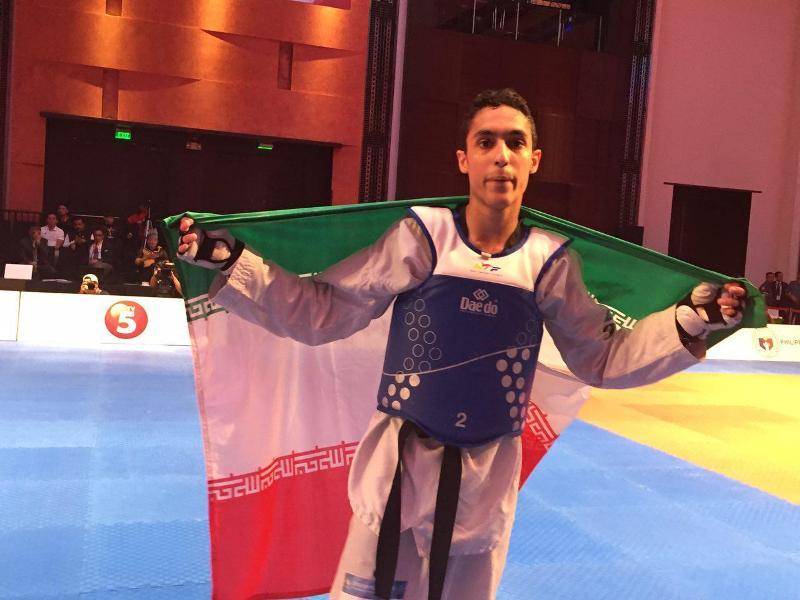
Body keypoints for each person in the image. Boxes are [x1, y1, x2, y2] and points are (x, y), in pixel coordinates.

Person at [176, 88, 745, 600]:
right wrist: (232, 262)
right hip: (399, 461)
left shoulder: (548, 261)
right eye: (486, 141)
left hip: (484, 473)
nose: (501, 156)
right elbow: (324, 312)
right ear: (463, 158)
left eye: (515, 143)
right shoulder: (424, 237)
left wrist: (691, 321)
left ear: (534, 160)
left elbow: (601, 357)